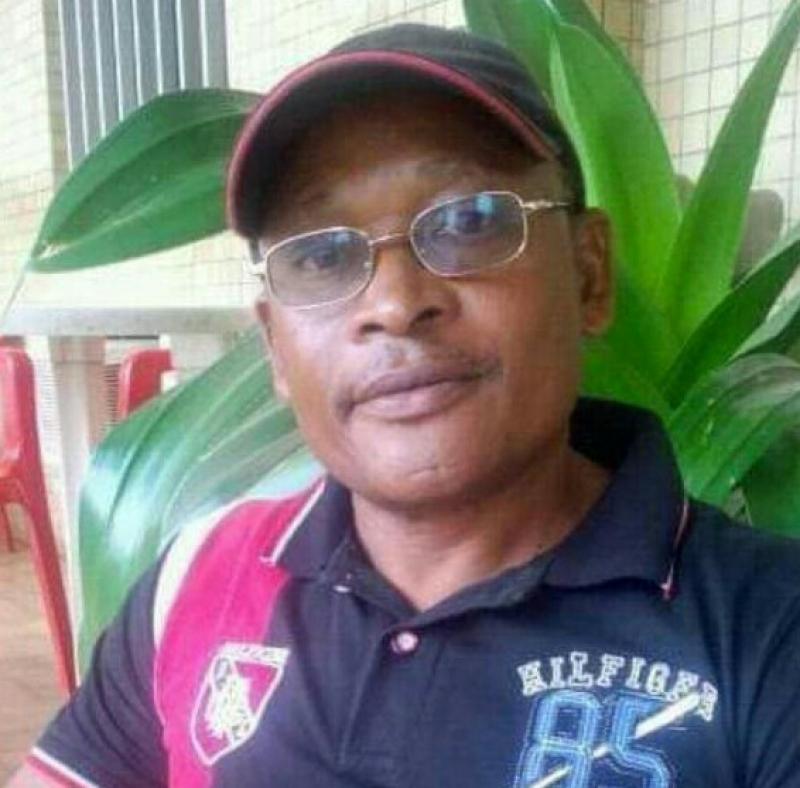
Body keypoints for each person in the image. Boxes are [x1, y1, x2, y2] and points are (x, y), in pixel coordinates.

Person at [12, 23, 800, 788]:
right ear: (275, 346)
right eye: (321, 254)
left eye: (469, 221)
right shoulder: (203, 577)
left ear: (588, 274)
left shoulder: (767, 630)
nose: (394, 303)